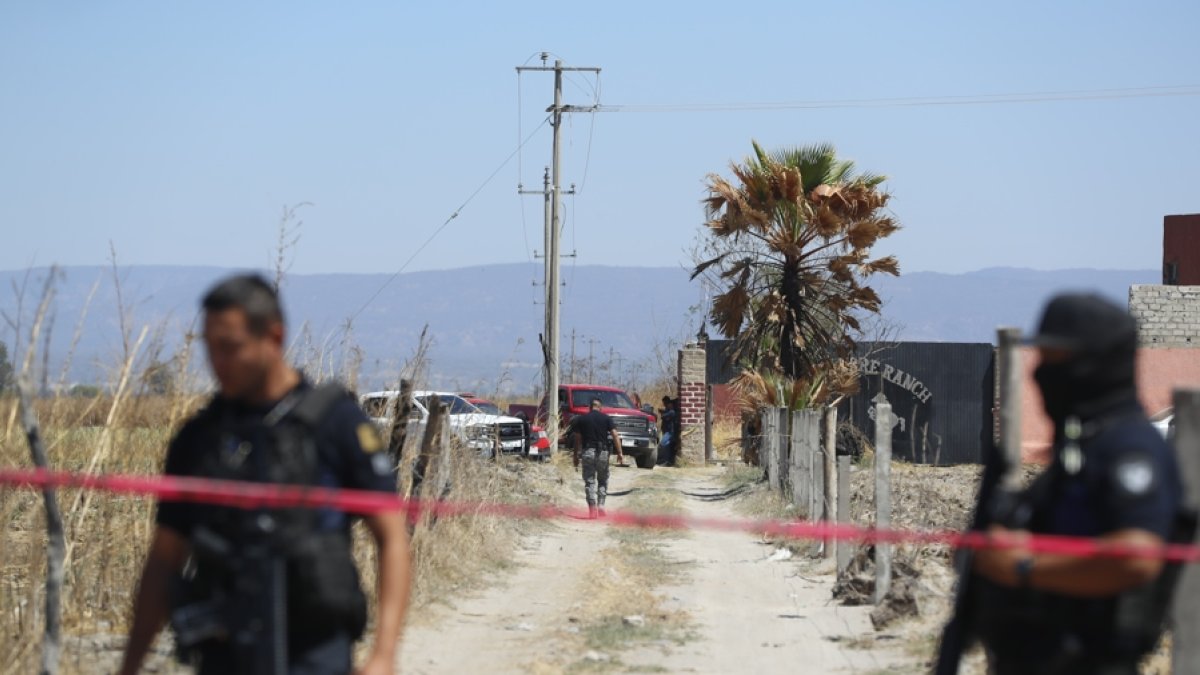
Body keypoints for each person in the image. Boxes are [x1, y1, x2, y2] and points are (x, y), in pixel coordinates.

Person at [120, 275, 411, 675]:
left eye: (231, 347)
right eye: (210, 347)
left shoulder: (334, 424)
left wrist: (384, 655)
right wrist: (130, 664)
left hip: (315, 652)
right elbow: (164, 559)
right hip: (223, 654)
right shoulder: (199, 439)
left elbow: (391, 535)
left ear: (273, 337)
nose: (218, 362)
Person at [969, 293, 1188, 675]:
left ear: (1093, 365)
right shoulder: (1085, 446)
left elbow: (1136, 555)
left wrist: (1023, 566)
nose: (1041, 373)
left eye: (1055, 360)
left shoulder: (1129, 447)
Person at [569, 398, 624, 519]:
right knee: (603, 479)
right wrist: (620, 452)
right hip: (603, 452)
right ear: (600, 407)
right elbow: (615, 434)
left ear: (590, 407)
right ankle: (601, 505)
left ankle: (592, 507)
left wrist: (575, 456)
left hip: (588, 452)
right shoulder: (606, 418)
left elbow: (577, 439)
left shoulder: (581, 419)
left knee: (589, 481)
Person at [657, 396, 679, 466]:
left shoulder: (672, 412)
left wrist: (662, 413)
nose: (665, 405)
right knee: (668, 446)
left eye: (666, 403)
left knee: (663, 444)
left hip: (670, 432)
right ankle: (667, 461)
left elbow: (664, 416)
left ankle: (667, 461)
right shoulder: (669, 410)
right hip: (668, 431)